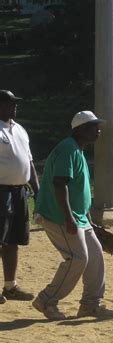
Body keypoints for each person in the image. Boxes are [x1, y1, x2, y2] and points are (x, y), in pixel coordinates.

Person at [32, 110, 110, 320]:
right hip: (59, 216)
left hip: (80, 217)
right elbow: (60, 184)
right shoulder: (67, 149)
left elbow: (77, 191)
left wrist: (89, 221)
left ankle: (90, 304)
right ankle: (47, 300)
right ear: (82, 129)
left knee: (95, 256)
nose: (98, 129)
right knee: (78, 258)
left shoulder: (78, 150)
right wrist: (69, 219)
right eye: (94, 126)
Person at [0, 90, 39, 305]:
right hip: (1, 190)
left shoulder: (20, 130)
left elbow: (29, 162)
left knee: (13, 240)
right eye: (9, 103)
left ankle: (10, 286)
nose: (14, 107)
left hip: (19, 191)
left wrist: (38, 189)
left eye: (15, 103)